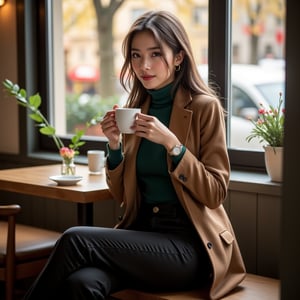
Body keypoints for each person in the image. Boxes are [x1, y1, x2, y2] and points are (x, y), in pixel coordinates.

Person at [24, 10, 245, 300]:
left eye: (155, 54)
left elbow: (215, 193)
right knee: (81, 283)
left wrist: (173, 145)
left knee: (75, 238)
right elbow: (122, 194)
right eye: (136, 56)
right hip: (140, 238)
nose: (144, 65)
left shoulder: (204, 107)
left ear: (178, 57)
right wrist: (114, 145)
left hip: (189, 246)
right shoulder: (137, 108)